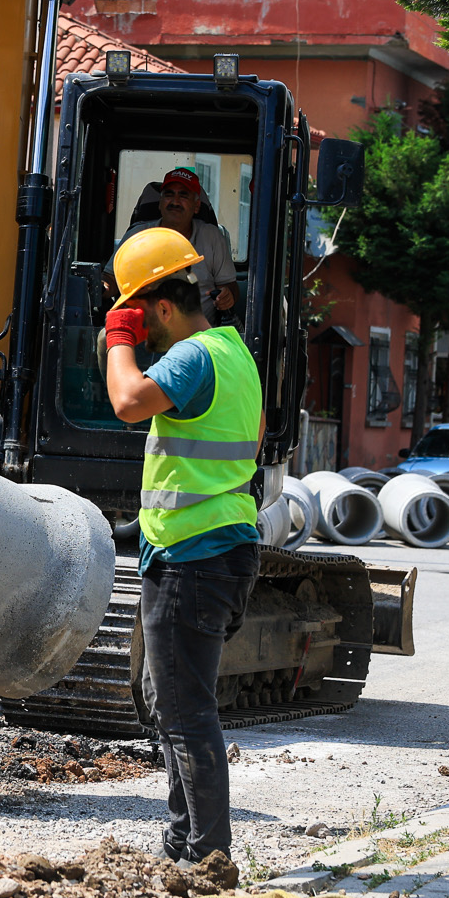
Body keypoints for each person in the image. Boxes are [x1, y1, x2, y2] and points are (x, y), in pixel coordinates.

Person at [101, 226, 262, 864]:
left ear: (162, 308)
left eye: (139, 315)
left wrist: (118, 341)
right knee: (170, 701)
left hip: (192, 556)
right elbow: (249, 438)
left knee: (186, 710)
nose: (140, 331)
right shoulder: (234, 352)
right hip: (223, 548)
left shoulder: (192, 357)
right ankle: (182, 842)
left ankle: (208, 855)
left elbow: (126, 401)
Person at [118, 168, 236, 315]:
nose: (175, 201)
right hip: (144, 325)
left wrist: (227, 296)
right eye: (169, 194)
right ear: (160, 203)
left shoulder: (212, 237)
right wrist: (101, 286)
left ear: (196, 206)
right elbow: (110, 280)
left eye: (183, 195)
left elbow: (230, 287)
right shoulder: (137, 235)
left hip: (200, 328)